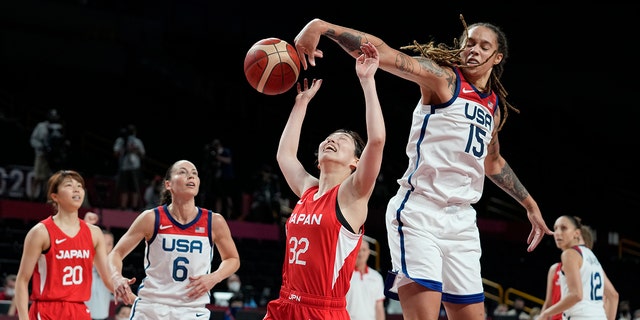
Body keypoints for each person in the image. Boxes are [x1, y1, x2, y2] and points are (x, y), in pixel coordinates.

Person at [293, 15, 553, 320]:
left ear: (496, 58)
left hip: (462, 222)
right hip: (420, 213)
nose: (474, 50)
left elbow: (492, 162)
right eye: (469, 42)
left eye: (484, 46)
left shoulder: (492, 108)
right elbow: (383, 51)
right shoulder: (443, 78)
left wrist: (529, 204)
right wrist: (322, 27)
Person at [263, 42, 385, 319]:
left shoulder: (353, 194)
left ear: (356, 162)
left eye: (342, 140)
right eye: (329, 138)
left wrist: (367, 81)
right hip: (284, 303)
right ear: (318, 159)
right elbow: (285, 155)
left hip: (322, 310)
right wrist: (301, 104)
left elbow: (376, 141)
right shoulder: (308, 189)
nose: (332, 140)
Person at [108, 159, 241, 319]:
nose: (191, 177)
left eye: (194, 174)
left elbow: (233, 259)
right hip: (151, 308)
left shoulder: (214, 221)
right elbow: (116, 253)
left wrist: (214, 277)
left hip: (192, 310)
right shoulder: (151, 218)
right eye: (183, 172)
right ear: (168, 184)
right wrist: (116, 277)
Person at [13, 170, 114, 319]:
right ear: (55, 196)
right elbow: (22, 280)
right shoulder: (41, 232)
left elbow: (108, 278)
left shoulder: (93, 232)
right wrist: (23, 318)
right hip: (48, 310)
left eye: (80, 186)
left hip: (79, 309)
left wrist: (132, 295)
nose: (76, 189)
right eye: (69, 185)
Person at [537, 215, 618, 320]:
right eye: (555, 228)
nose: (557, 233)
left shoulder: (569, 254)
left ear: (577, 233)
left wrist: (545, 313)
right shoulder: (591, 255)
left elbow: (576, 295)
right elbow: (613, 295)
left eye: (564, 228)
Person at [540, 224, 595, 320]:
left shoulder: (591, 269)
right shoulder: (555, 269)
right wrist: (543, 315)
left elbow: (608, 298)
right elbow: (548, 302)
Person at [29, 108, 69, 201]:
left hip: (53, 157)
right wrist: (42, 147)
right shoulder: (41, 126)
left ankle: (44, 198)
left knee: (49, 179)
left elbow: (61, 142)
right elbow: (33, 140)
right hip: (41, 155)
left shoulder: (59, 127)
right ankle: (31, 197)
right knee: (38, 177)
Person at [346, 238, 386, 320]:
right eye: (358, 250)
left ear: (368, 252)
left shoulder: (377, 277)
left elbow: (379, 307)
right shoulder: (344, 276)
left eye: (364, 250)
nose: (361, 254)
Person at [113, 124, 146, 211]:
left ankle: (134, 206)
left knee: (134, 187)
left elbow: (142, 154)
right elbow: (116, 153)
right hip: (124, 167)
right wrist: (124, 150)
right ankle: (123, 206)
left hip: (135, 167)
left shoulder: (137, 141)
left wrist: (135, 150)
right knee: (124, 187)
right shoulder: (120, 141)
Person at [201, 138, 236, 218]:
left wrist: (217, 157)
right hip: (219, 178)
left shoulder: (225, 151)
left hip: (227, 178)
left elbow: (228, 160)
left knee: (227, 197)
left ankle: (229, 215)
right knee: (218, 197)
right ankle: (218, 215)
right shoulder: (214, 153)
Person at [85, 229, 115, 320]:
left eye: (109, 244)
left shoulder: (113, 267)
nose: (106, 248)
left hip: (102, 316)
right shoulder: (83, 261)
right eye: (103, 243)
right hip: (81, 316)